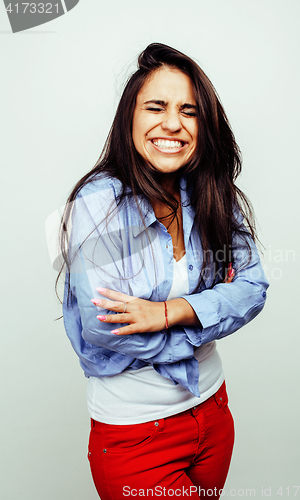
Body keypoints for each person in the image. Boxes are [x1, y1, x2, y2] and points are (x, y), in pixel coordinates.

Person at [59, 43, 269, 499]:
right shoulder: (98, 203)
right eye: (156, 107)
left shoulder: (213, 193)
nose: (172, 123)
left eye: (188, 111)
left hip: (213, 412)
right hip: (136, 433)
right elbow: (103, 331)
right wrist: (210, 313)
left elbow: (253, 290)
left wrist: (169, 311)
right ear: (129, 117)